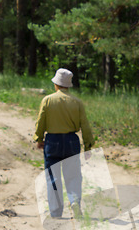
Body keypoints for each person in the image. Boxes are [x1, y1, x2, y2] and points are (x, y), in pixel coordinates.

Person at [34, 68, 94, 219]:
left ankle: (55, 211)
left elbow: (41, 121)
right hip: (71, 141)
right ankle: (74, 202)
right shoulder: (77, 102)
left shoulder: (47, 100)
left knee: (53, 177)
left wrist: (39, 138)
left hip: (52, 141)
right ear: (68, 85)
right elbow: (85, 125)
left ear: (56, 84)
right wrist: (88, 146)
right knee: (73, 175)